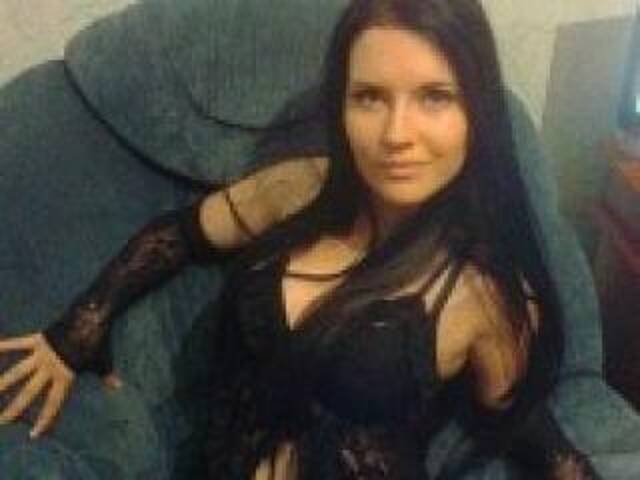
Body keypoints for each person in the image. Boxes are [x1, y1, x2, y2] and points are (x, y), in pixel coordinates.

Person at [0, 0, 601, 478]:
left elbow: (533, 434)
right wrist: (78, 331)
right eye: (370, 97)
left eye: (434, 97)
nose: (397, 133)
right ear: (342, 105)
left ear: (477, 113)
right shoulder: (298, 188)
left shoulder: (484, 296)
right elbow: (179, 236)